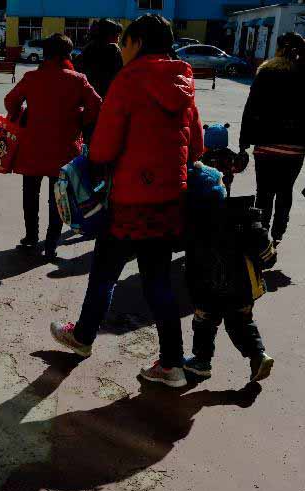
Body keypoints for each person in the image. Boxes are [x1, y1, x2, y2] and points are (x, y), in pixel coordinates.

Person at [49, 14, 204, 388]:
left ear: (136, 42)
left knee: (105, 271)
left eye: (126, 42)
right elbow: (196, 146)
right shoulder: (184, 80)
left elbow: (102, 149)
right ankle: (171, 363)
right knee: (158, 280)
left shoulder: (129, 79)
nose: (121, 49)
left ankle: (83, 337)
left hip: (130, 200)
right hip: (169, 199)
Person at [4, 33, 101, 259]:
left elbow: (10, 101)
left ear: (45, 53)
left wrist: (21, 115)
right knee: (57, 198)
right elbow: (96, 104)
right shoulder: (78, 79)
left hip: (31, 148)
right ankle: (51, 244)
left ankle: (30, 238)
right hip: (64, 149)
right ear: (68, 54)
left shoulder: (31, 78)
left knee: (30, 194)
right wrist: (80, 120)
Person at [239, 32, 305, 247]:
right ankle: (278, 235)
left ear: (279, 50)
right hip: (296, 148)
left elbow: (250, 109)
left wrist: (244, 142)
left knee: (263, 193)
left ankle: (260, 238)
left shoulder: (265, 74)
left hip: (265, 144)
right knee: (284, 191)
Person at [183, 166, 276, 383]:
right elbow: (267, 254)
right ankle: (258, 355)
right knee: (241, 323)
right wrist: (267, 257)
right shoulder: (243, 217)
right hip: (241, 288)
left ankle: (201, 362)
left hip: (206, 289)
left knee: (204, 324)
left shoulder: (193, 224)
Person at [77, 19, 124, 98]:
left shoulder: (88, 48)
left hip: (88, 95)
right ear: (110, 35)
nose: (119, 38)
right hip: (107, 95)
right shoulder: (113, 49)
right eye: (118, 35)